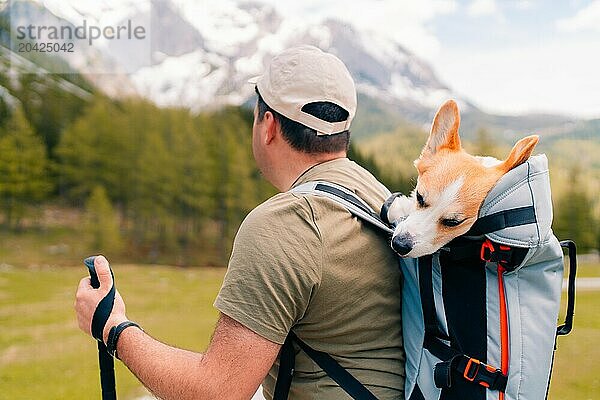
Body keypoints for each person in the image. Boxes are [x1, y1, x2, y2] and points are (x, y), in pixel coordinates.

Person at [75, 45, 404, 400]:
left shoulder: (286, 223)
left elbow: (216, 392)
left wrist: (112, 327)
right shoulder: (380, 198)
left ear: (268, 125)